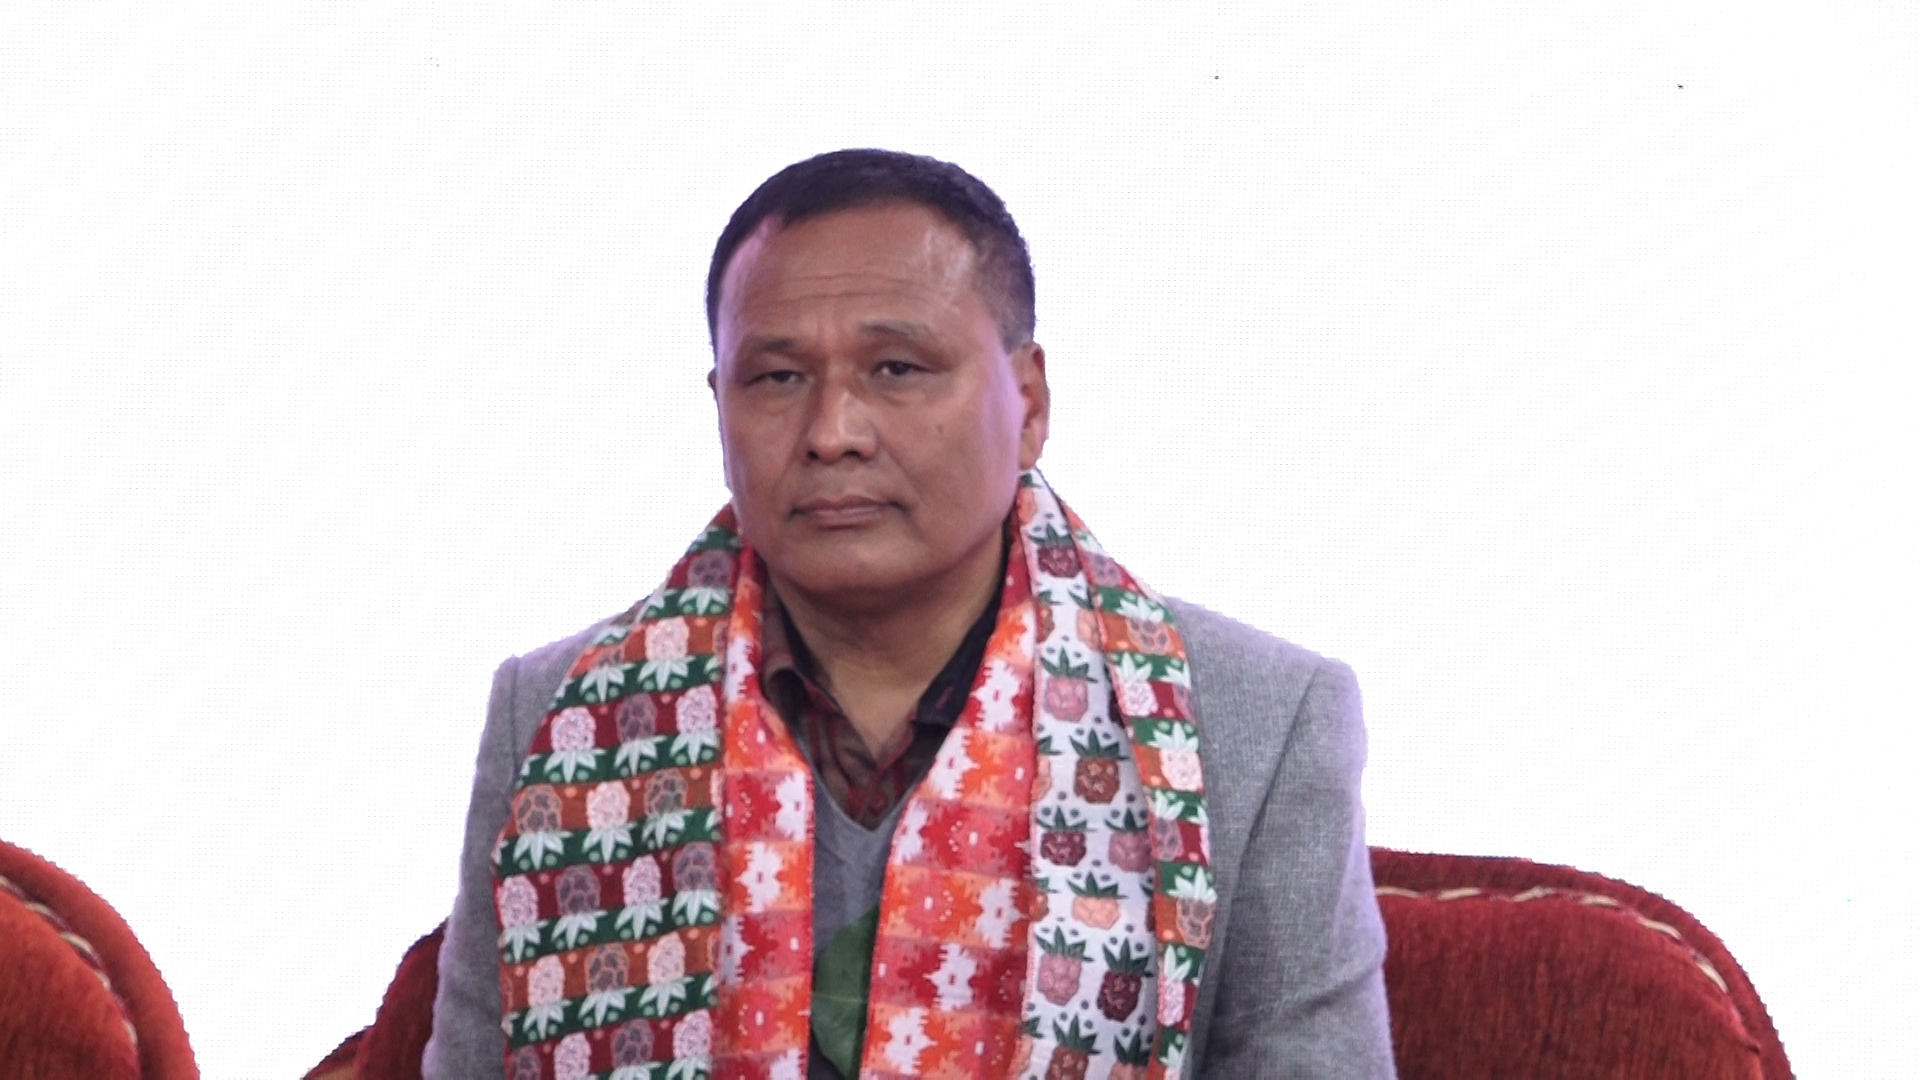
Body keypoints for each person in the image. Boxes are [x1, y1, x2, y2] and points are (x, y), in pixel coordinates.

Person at [424, 149, 1393, 1079]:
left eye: (896, 368)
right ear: (719, 406)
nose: (832, 433)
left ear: (1029, 403)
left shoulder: (1255, 723)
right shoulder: (559, 719)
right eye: (777, 378)